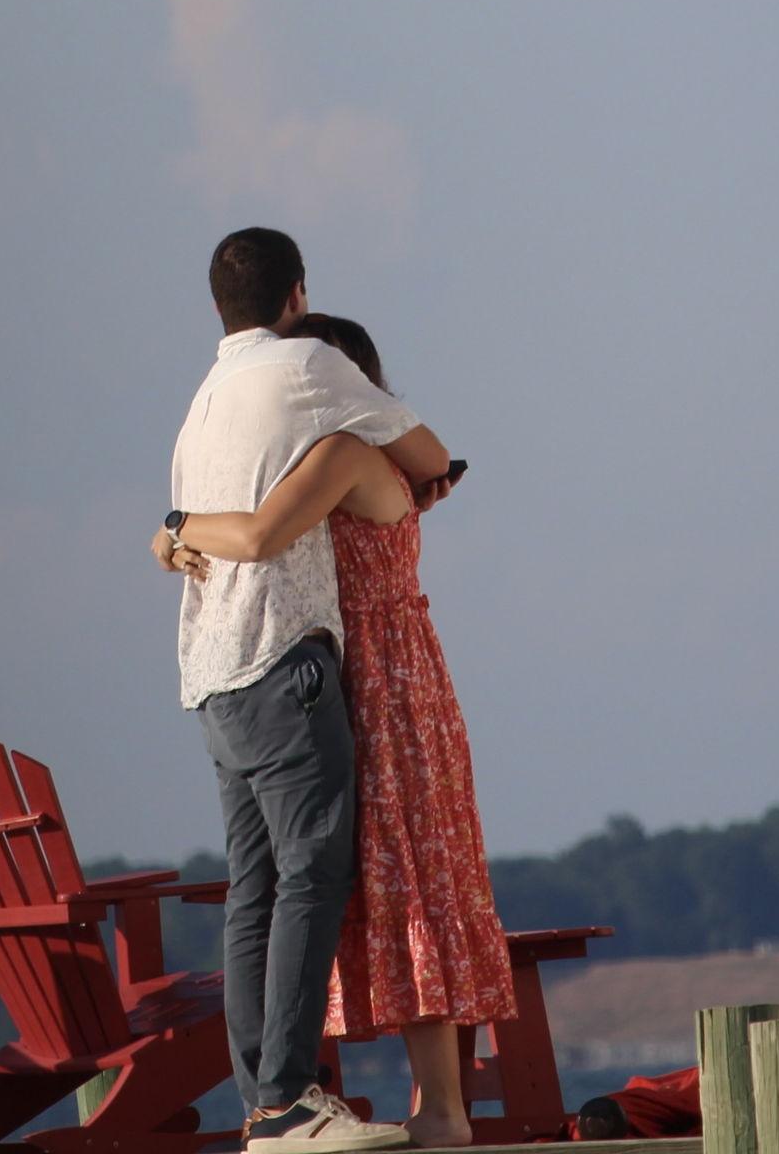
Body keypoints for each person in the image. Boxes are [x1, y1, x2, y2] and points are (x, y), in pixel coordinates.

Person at [159, 314, 513, 1151]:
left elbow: (254, 533)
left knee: (409, 876)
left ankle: (439, 1110)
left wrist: (175, 528)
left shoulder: (342, 456)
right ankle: (407, 1107)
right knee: (394, 878)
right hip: (371, 671)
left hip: (382, 678)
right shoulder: (346, 459)